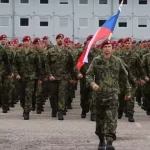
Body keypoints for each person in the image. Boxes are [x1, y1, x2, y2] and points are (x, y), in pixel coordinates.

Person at [86, 39, 131, 150]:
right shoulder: (96, 61)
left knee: (111, 119)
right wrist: (92, 84)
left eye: (109, 46)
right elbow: (88, 75)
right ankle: (101, 140)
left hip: (112, 95)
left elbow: (125, 77)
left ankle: (110, 141)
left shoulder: (117, 61)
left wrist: (128, 91)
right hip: (99, 95)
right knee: (100, 119)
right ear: (102, 49)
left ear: (112, 48)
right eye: (105, 46)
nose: (107, 49)